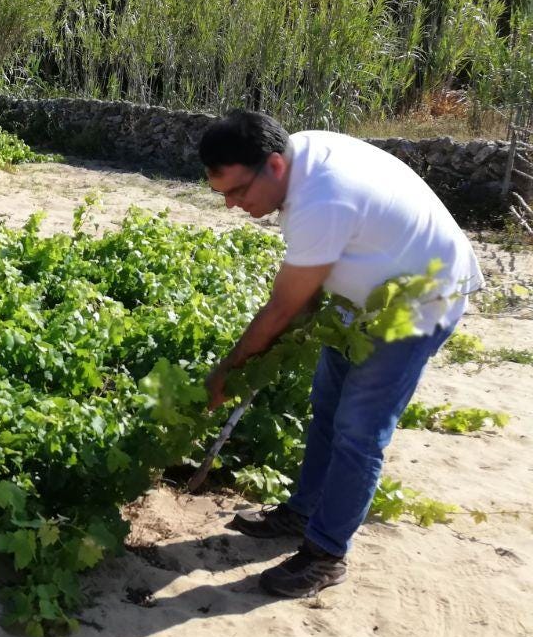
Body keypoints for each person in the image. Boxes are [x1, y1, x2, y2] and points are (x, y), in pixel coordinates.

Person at [199, 110, 482, 598]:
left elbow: (288, 304)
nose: (231, 205)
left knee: (358, 431)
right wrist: (264, 354)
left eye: (236, 192)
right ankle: (303, 512)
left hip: (419, 301)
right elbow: (305, 301)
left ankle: (326, 555)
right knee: (327, 406)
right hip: (362, 300)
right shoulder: (297, 152)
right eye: (221, 194)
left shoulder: (321, 196)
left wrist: (228, 371)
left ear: (274, 166)